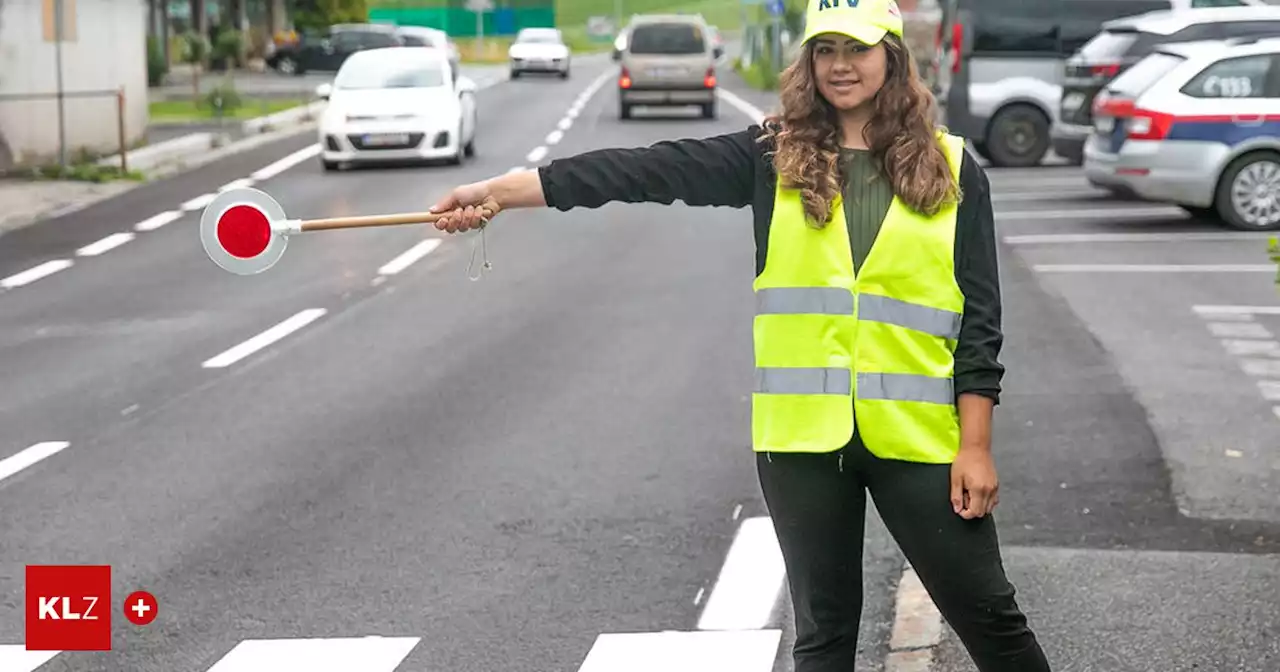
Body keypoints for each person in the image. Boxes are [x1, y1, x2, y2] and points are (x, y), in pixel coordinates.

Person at [429, 0, 1051, 670]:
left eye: (858, 49)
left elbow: (979, 327)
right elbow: (644, 172)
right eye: (825, 49)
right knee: (824, 636)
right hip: (800, 444)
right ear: (808, 60)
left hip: (920, 440)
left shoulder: (956, 170)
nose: (841, 65)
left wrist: (977, 447)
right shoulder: (771, 157)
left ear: (892, 57)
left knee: (992, 618)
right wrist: (505, 192)